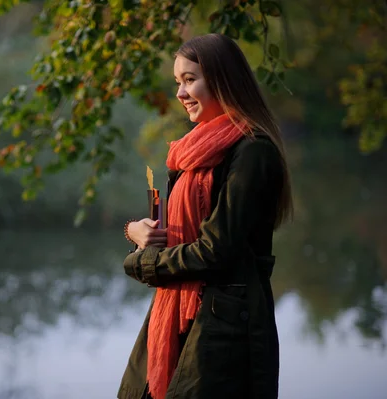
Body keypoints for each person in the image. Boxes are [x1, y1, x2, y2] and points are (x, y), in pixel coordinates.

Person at [118, 33, 293, 399]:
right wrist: (140, 234)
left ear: (223, 79)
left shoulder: (253, 153)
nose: (180, 94)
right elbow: (183, 238)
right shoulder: (189, 154)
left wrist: (144, 262)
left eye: (190, 80)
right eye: (177, 82)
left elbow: (215, 250)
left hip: (224, 329)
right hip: (178, 312)